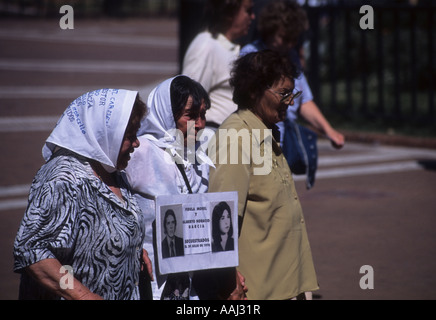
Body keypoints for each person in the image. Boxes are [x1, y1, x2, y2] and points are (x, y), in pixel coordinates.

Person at [13, 88, 149, 300]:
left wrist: (131, 250)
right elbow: (33, 251)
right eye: (129, 136)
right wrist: (81, 294)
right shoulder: (63, 179)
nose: (136, 143)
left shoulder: (112, 170)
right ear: (105, 133)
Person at [208, 50, 319, 300]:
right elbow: (221, 218)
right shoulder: (236, 138)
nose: (291, 102)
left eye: (293, 93)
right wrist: (229, 281)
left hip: (286, 282)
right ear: (253, 91)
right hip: (257, 289)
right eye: (283, 94)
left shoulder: (265, 132)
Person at [126, 75, 221, 300]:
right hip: (147, 283)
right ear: (167, 115)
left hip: (186, 283)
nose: (199, 124)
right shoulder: (141, 152)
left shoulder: (198, 157)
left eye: (203, 115)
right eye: (190, 115)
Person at [240, 0, 345, 149]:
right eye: (284, 38)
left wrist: (329, 131)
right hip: (257, 141)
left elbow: (304, 99)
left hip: (282, 141)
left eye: (294, 39)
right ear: (270, 30)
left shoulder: (291, 55)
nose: (290, 45)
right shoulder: (250, 54)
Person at [182, 0, 255, 134]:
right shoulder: (205, 45)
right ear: (230, 12)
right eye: (248, 11)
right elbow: (189, 102)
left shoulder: (233, 48)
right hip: (213, 136)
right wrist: (189, 150)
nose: (252, 17)